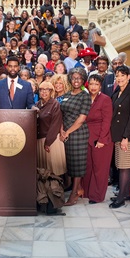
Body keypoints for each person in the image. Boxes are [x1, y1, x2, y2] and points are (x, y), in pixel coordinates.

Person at [109, 65, 130, 209]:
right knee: (121, 165)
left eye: (123, 75)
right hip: (118, 135)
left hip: (128, 137)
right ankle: (124, 193)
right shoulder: (117, 92)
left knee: (124, 167)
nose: (120, 78)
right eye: (117, 75)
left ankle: (122, 197)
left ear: (128, 77)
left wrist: (125, 137)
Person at [59, 68, 91, 206]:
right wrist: (61, 130)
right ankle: (78, 189)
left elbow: (81, 118)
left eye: (79, 78)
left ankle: (73, 195)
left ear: (83, 80)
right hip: (65, 133)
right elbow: (61, 115)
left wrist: (67, 132)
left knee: (77, 164)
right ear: (70, 79)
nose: (76, 80)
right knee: (69, 163)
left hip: (78, 134)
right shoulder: (67, 94)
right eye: (74, 78)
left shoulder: (85, 95)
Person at [81, 74, 113, 204]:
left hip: (101, 138)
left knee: (100, 168)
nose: (93, 87)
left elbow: (107, 121)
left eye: (96, 84)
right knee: (88, 166)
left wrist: (101, 139)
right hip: (86, 137)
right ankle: (86, 191)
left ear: (100, 86)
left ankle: (97, 195)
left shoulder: (105, 99)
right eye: (91, 84)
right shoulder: (85, 98)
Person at [36, 81, 66, 177]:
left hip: (52, 140)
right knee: (43, 170)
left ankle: (56, 190)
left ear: (51, 92)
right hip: (39, 140)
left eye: (47, 90)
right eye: (41, 90)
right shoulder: (37, 105)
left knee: (54, 170)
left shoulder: (55, 104)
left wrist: (48, 142)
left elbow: (55, 124)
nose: (44, 92)